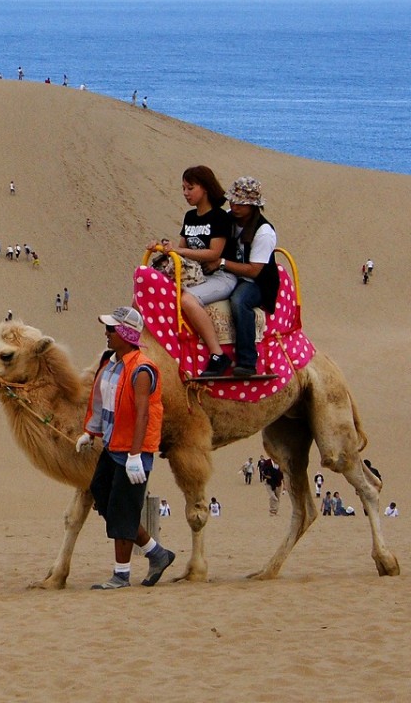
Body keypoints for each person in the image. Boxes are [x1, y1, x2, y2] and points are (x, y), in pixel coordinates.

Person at [76, 306, 176, 589]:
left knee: (123, 508)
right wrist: (91, 432)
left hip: (132, 452)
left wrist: (135, 455)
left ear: (125, 333)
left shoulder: (141, 369)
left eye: (111, 329)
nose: (106, 334)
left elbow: (143, 415)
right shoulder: (111, 364)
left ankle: (121, 575)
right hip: (112, 445)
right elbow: (103, 402)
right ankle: (156, 553)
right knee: (102, 495)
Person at [149, 166, 236, 378]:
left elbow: (214, 253)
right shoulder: (190, 217)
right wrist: (163, 248)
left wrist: (178, 250)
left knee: (187, 300)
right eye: (183, 188)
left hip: (221, 276)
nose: (185, 193)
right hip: (197, 275)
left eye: (190, 188)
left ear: (204, 188)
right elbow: (182, 250)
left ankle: (218, 354)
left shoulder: (219, 217)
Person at [215, 176, 279, 376]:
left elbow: (253, 270)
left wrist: (221, 263)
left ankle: (247, 361)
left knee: (239, 301)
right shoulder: (228, 219)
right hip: (227, 274)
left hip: (256, 283)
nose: (234, 206)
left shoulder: (264, 232)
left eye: (241, 203)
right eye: (233, 201)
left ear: (253, 206)